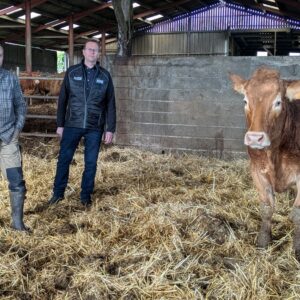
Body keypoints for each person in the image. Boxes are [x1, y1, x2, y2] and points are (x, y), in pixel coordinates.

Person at [48, 40, 116, 206]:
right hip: (72, 124)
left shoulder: (105, 76)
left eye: (96, 50)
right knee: (64, 159)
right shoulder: (72, 72)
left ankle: (85, 196)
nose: (93, 52)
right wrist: (60, 124)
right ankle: (58, 194)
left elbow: (111, 104)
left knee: (91, 162)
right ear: (84, 52)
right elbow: (63, 99)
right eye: (90, 50)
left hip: (95, 126)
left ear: (99, 54)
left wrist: (110, 129)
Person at [0, 44, 28, 230]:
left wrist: (17, 130)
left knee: (16, 181)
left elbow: (21, 106)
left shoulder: (10, 78)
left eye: (0, 55)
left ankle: (17, 224)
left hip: (8, 137)